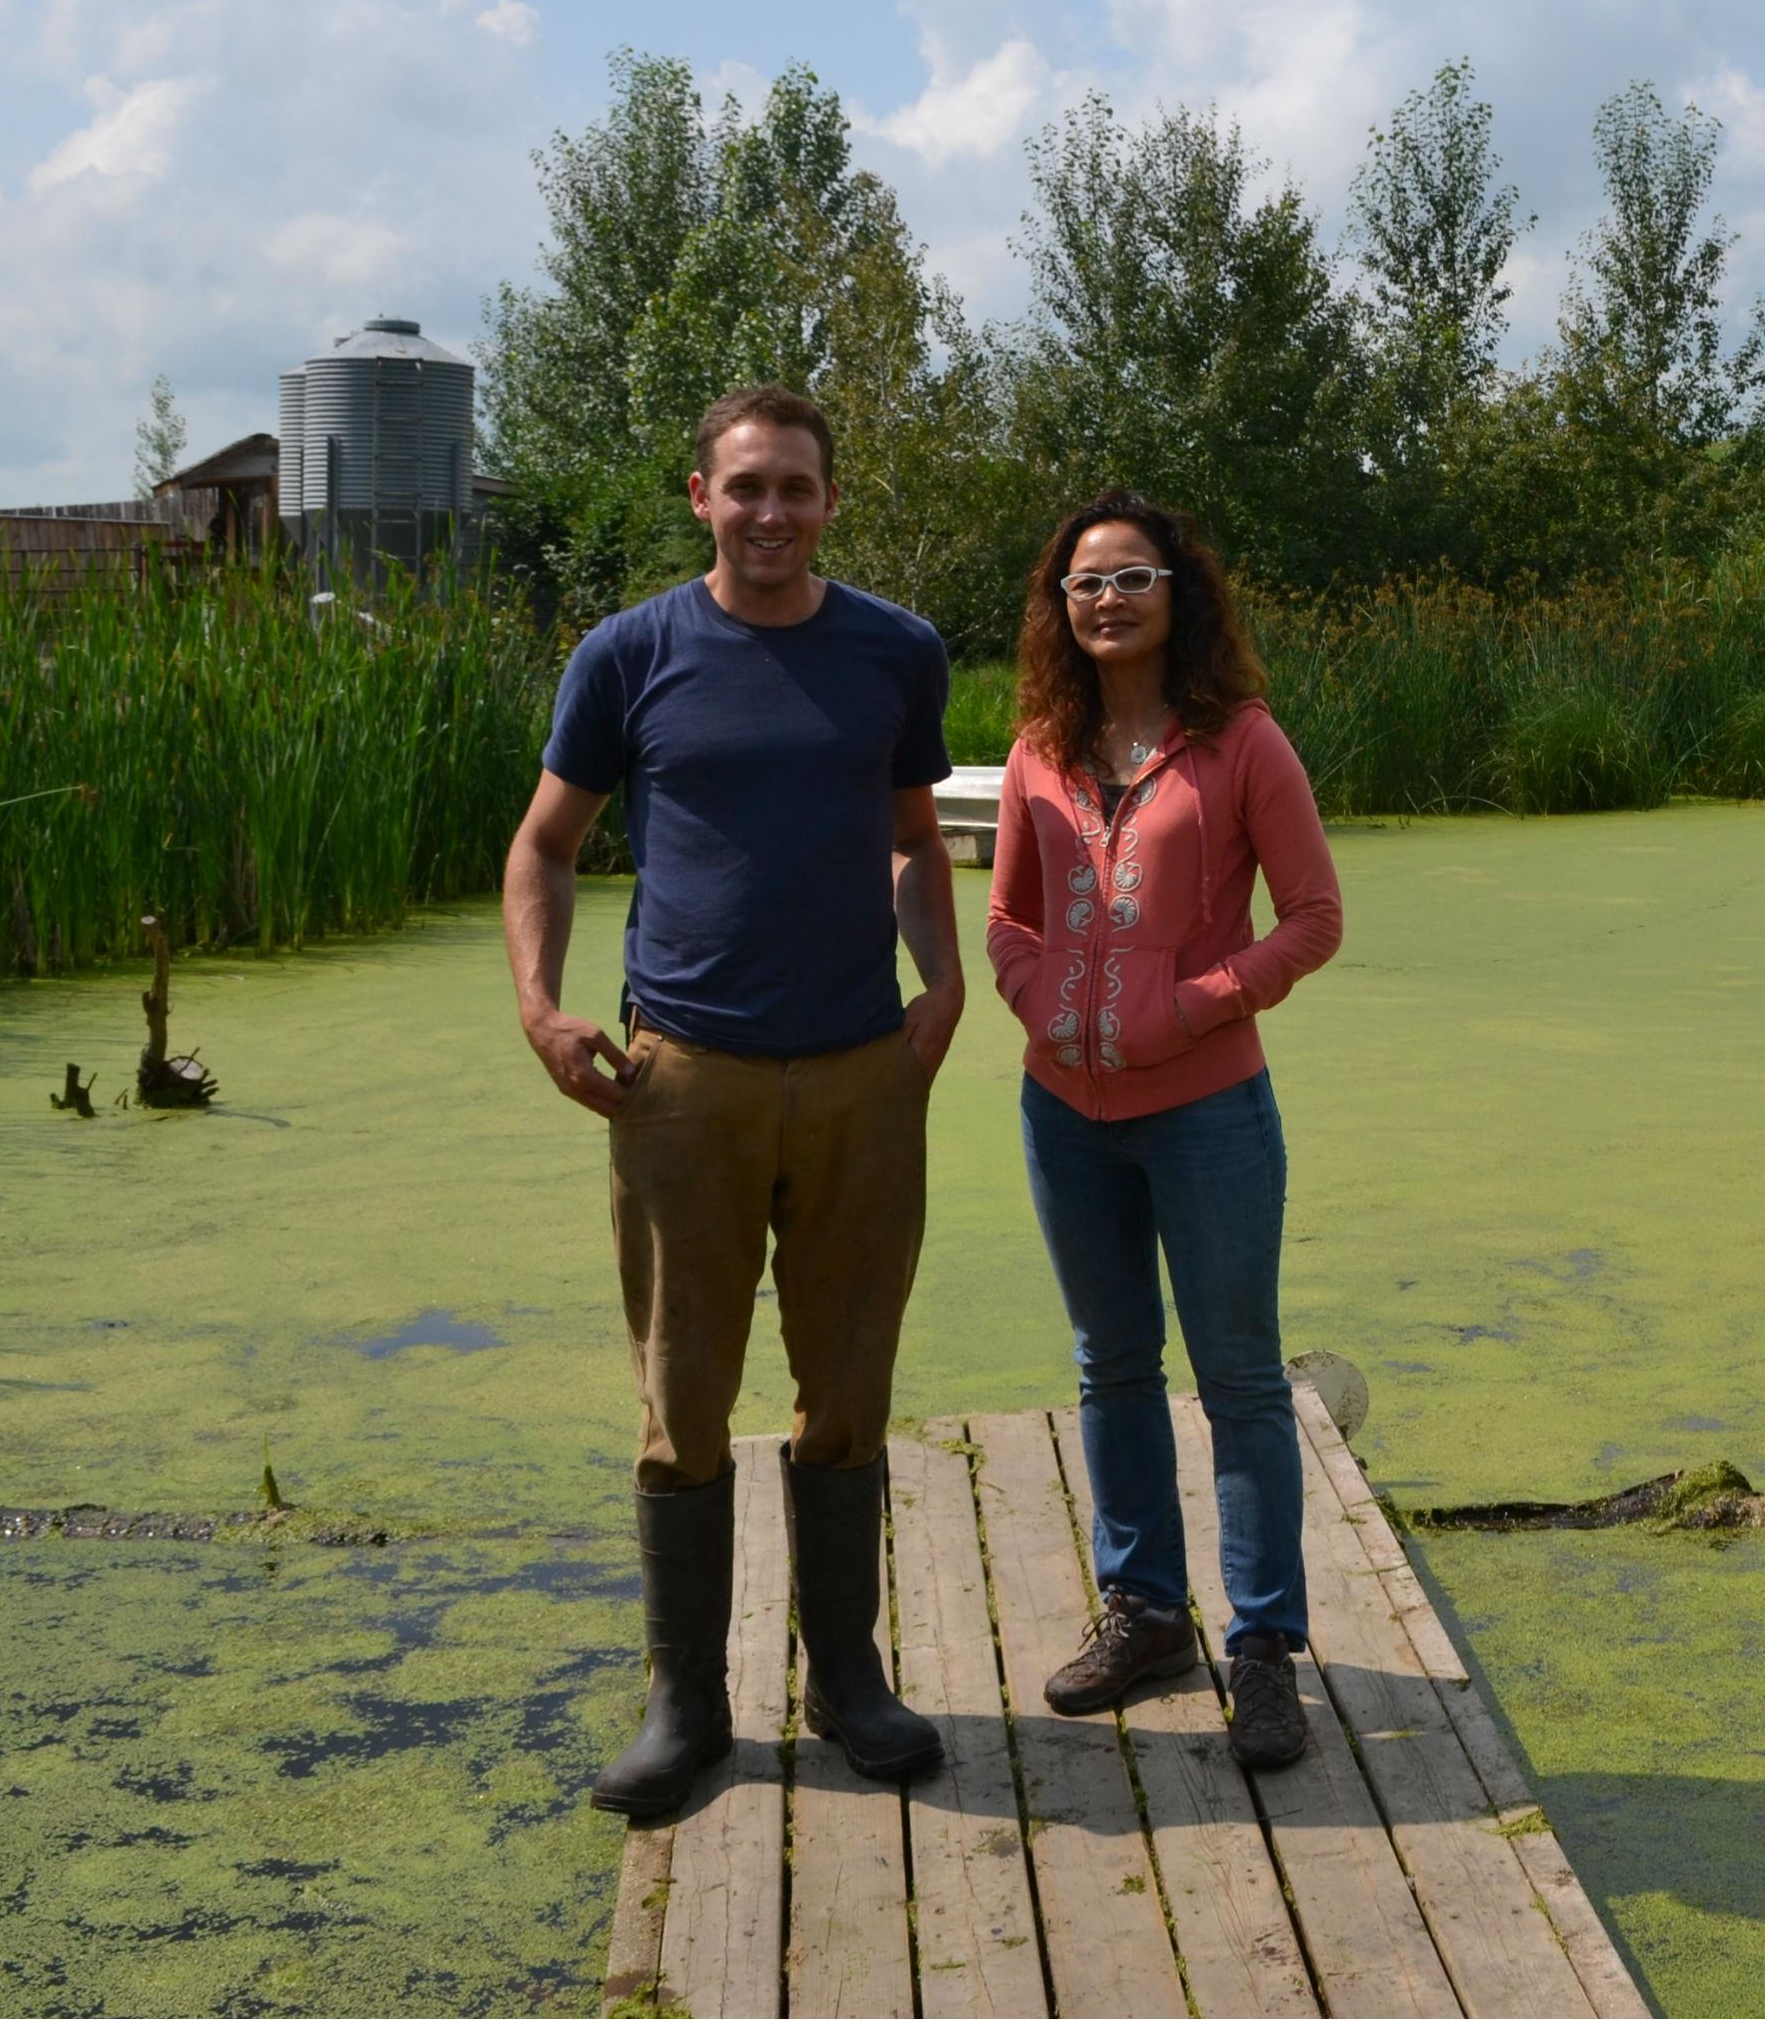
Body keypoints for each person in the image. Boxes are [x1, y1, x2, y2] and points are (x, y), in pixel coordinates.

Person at [504, 384, 966, 1821]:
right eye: (745, 486)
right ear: (699, 494)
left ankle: (846, 1674)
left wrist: (938, 984)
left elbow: (911, 838)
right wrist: (541, 1002)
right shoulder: (631, 651)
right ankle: (685, 1700)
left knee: (850, 1379)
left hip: (857, 1075)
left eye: (797, 487)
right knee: (682, 1389)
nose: (771, 512)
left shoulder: (894, 650)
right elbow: (545, 844)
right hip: (680, 1077)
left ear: (831, 499)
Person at [986, 491, 1342, 1771]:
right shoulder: (1037, 741)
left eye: (1131, 578)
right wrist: (1038, 1003)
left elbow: (1310, 916)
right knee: (1110, 1364)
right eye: (1084, 583)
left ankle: (1262, 1649)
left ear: (1175, 594)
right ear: (1059, 605)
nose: (1106, 601)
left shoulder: (1240, 741)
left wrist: (1185, 1006)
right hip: (1061, 1111)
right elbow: (1009, 919)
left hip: (1205, 1110)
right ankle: (1145, 1613)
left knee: (1240, 1377)